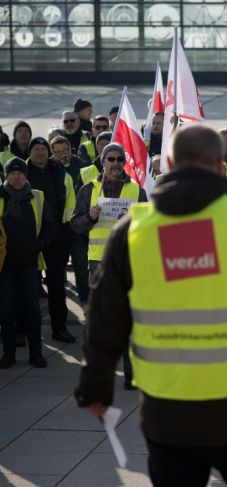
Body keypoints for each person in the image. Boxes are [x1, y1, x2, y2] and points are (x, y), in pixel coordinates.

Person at [75, 125, 227, 486]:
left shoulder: (133, 231)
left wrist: (95, 386)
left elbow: (105, 318)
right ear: (221, 166)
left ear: (168, 163)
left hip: (170, 408)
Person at [71, 143, 147, 389]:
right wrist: (90, 217)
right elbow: (76, 225)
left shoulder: (136, 190)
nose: (115, 164)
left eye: (119, 160)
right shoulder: (89, 189)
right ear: (102, 162)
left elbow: (148, 227)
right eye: (111, 159)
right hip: (98, 263)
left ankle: (130, 374)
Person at [0, 158, 54, 369]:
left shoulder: (37, 196)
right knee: (6, 311)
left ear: (25, 175)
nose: (16, 176)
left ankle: (36, 354)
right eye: (12, 173)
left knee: (32, 311)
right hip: (4, 266)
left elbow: (50, 227)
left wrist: (38, 245)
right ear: (6, 175)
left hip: (30, 264)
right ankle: (9, 354)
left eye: (20, 172)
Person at [26, 137, 77, 343]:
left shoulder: (60, 174)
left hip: (55, 237)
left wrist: (65, 233)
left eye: (42, 149)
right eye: (35, 149)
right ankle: (23, 330)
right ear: (30, 153)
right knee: (26, 287)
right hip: (27, 239)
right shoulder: (20, 172)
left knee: (57, 285)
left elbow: (69, 206)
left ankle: (59, 328)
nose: (39, 152)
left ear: (48, 152)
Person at [51, 136, 90, 305]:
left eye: (64, 150)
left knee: (81, 267)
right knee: (57, 269)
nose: (61, 155)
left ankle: (85, 300)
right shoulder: (49, 168)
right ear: (52, 153)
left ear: (70, 149)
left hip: (77, 226)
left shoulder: (82, 165)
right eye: (57, 152)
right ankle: (59, 303)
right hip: (58, 227)